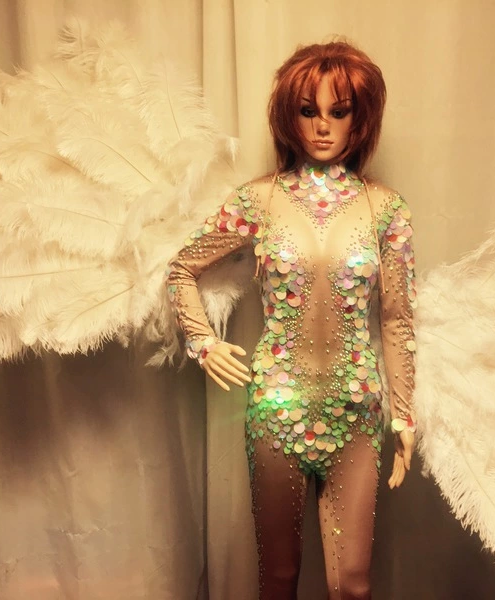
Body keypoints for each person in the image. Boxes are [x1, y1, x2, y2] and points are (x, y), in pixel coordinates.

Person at [166, 41, 417, 600]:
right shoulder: (258, 200)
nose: (323, 126)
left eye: (338, 110)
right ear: (289, 115)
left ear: (360, 117)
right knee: (277, 577)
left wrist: (404, 414)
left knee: (352, 583)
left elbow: (398, 318)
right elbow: (182, 268)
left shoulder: (386, 209)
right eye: (308, 110)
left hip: (357, 411)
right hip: (277, 409)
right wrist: (203, 342)